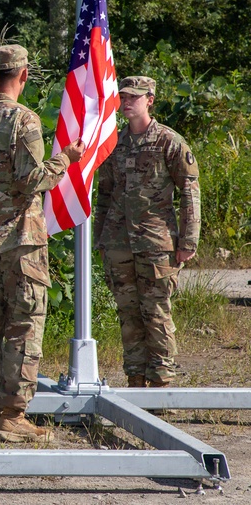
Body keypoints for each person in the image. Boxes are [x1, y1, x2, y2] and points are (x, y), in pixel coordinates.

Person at [0, 44, 83, 443]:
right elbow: (31, 180)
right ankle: (13, 415)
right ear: (22, 76)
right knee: (24, 324)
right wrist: (65, 160)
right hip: (20, 241)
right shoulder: (23, 120)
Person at [94, 76, 200, 389]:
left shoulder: (169, 141)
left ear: (149, 100)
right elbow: (104, 193)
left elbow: (189, 191)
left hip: (157, 242)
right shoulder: (113, 143)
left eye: (134, 97)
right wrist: (101, 237)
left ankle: (162, 384)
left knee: (156, 314)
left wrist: (188, 239)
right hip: (118, 242)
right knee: (128, 315)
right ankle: (136, 382)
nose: (127, 102)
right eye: (123, 97)